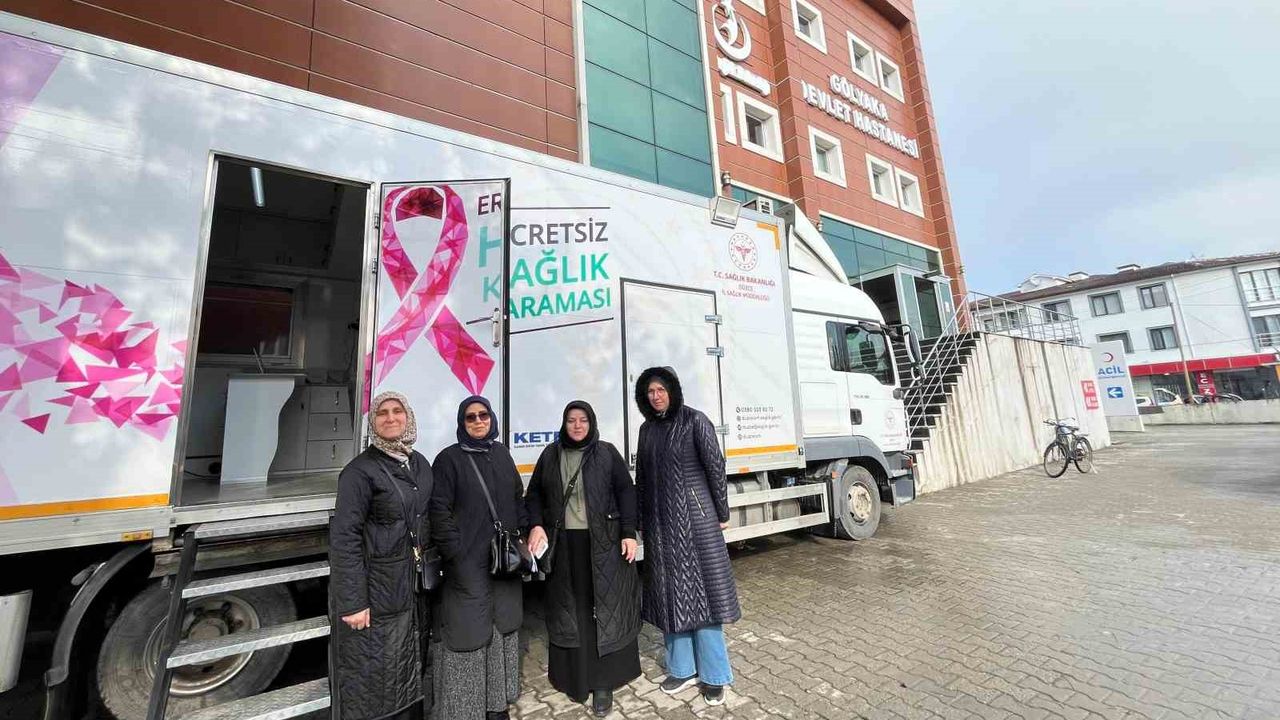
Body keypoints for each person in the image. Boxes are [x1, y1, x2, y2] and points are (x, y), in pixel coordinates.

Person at [525, 401, 642, 717]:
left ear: (592, 423)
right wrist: (536, 524)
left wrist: (628, 532)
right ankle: (575, 677)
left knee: (601, 610)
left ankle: (603, 682)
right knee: (572, 611)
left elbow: (626, 492)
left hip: (603, 544)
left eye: (583, 420)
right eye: (571, 420)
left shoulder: (606, 453)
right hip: (565, 547)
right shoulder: (551, 455)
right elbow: (534, 495)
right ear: (564, 424)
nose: (577, 426)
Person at [633, 366, 740, 707]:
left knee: (703, 597)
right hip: (661, 527)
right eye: (650, 391)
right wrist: (640, 520)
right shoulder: (647, 430)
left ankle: (714, 675)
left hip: (697, 522)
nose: (656, 396)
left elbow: (715, 467)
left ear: (673, 391)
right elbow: (642, 479)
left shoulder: (695, 421)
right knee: (669, 594)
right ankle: (682, 668)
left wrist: (721, 513)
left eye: (661, 390)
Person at [329, 391, 434, 719]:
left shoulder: (419, 463)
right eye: (382, 413)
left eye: (397, 411)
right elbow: (345, 538)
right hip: (378, 590)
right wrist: (353, 602)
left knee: (410, 661)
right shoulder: (359, 472)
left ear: (408, 416)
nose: (391, 418)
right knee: (377, 674)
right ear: (373, 422)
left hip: (411, 587)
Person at [429, 396, 525, 720]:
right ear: (462, 423)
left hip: (503, 562)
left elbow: (517, 497)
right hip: (467, 563)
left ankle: (497, 706)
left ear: (492, 418)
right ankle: (466, 709)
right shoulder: (448, 460)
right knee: (468, 634)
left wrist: (522, 536)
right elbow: (439, 511)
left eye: (483, 415)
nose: (478, 421)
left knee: (501, 628)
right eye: (470, 417)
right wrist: (455, 553)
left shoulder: (502, 454)